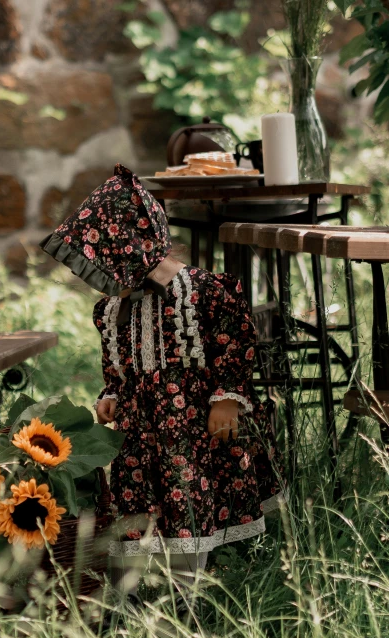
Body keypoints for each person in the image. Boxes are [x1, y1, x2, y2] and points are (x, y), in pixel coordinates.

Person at [39, 163, 284, 601]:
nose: (101, 282)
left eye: (105, 269)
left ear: (132, 252)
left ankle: (187, 587)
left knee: (187, 498)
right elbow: (114, 363)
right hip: (139, 430)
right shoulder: (111, 312)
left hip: (189, 429)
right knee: (137, 501)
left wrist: (226, 399)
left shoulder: (205, 292)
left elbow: (235, 342)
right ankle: (140, 587)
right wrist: (112, 392)